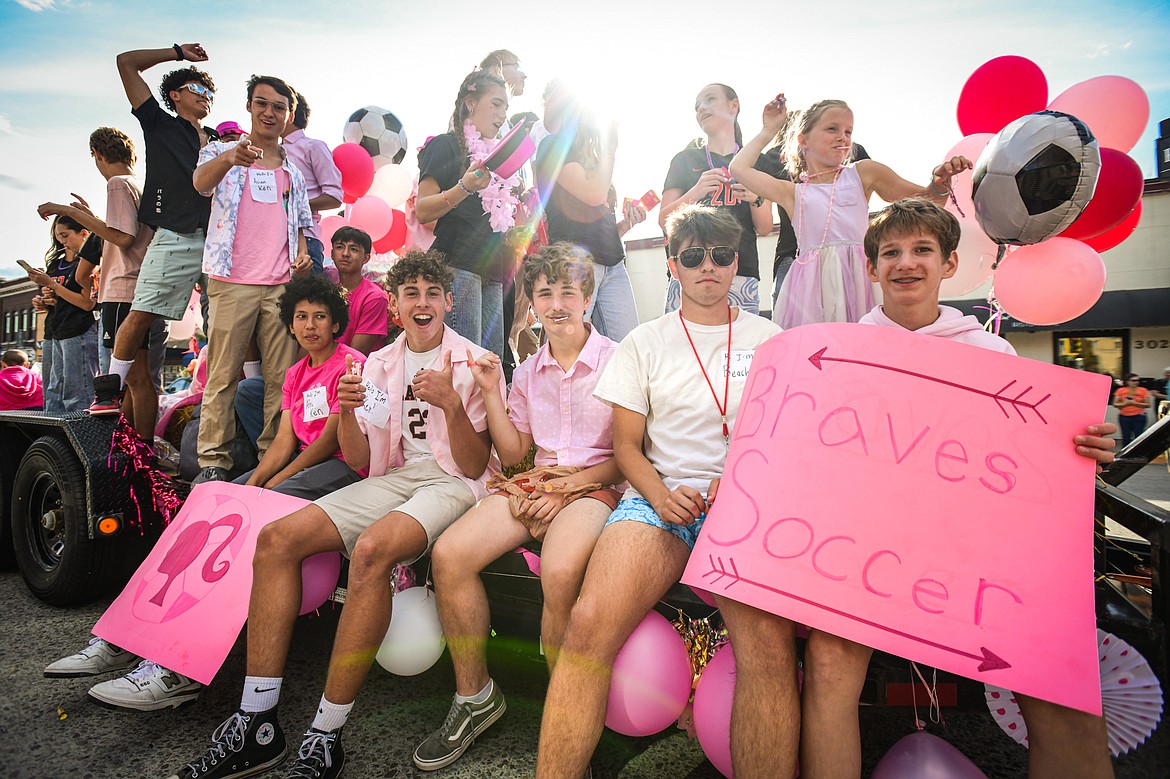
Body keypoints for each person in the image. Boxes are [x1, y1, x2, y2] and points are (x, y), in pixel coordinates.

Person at [715, 199, 1118, 779]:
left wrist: (1080, 450)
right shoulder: (835, 355)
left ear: (949, 263)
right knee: (829, 667)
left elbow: (1030, 473)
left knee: (1063, 692)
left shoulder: (994, 356)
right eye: (892, 253)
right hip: (860, 556)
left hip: (976, 562)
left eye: (922, 250)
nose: (907, 263)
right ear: (872, 269)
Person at [168, 250, 501, 779]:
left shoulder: (475, 362)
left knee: (371, 550)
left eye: (432, 293)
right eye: (410, 293)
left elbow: (475, 463)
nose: (422, 302)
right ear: (393, 306)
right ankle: (257, 721)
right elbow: (365, 461)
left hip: (453, 482)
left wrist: (453, 408)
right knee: (276, 539)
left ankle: (326, 733)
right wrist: (348, 411)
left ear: (449, 303)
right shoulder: (377, 364)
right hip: (392, 479)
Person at [534, 205, 781, 777]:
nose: (707, 267)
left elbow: (779, 439)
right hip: (658, 497)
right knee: (589, 622)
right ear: (673, 265)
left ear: (735, 262)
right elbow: (626, 450)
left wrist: (740, 479)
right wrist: (664, 493)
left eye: (720, 256)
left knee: (765, 650)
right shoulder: (644, 341)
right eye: (692, 256)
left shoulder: (770, 338)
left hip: (745, 505)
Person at [50, 276, 366, 712]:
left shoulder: (351, 363)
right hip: (300, 465)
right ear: (290, 325)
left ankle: (176, 670)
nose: (310, 325)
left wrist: (270, 486)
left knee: (250, 520)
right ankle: (120, 638)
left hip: (342, 469)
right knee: (208, 502)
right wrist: (254, 481)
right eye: (301, 318)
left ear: (336, 324)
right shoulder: (295, 372)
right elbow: (283, 442)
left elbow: (328, 442)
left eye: (320, 317)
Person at [413, 243, 622, 771]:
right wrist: (489, 389)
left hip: (596, 483)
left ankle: (565, 716)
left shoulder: (619, 360)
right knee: (450, 554)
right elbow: (511, 453)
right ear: (530, 301)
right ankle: (475, 696)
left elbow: (627, 458)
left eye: (567, 292)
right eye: (543, 293)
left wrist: (567, 491)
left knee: (560, 570)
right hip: (536, 480)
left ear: (588, 298)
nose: (556, 304)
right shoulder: (528, 370)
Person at [728, 96, 971, 329]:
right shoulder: (792, 193)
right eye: (832, 129)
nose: (842, 137)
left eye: (848, 131)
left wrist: (939, 184)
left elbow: (927, 200)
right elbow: (738, 168)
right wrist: (769, 130)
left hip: (859, 279)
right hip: (811, 289)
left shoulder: (863, 173)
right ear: (803, 140)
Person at [191, 74, 313, 485]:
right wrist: (229, 159)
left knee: (280, 378)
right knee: (222, 373)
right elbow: (198, 185)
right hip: (231, 279)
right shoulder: (221, 151)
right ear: (249, 107)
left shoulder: (293, 171)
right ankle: (213, 461)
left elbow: (300, 226)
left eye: (279, 107)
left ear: (288, 115)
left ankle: (270, 458)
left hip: (279, 286)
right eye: (262, 103)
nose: (269, 112)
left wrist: (300, 253)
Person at [88, 44, 218, 427]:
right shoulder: (160, 124)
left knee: (227, 323)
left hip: (216, 244)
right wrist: (178, 53)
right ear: (176, 95)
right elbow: (124, 63)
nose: (206, 98)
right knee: (140, 314)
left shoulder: (220, 139)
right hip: (175, 235)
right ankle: (108, 392)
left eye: (211, 94)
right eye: (198, 89)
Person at [37, 127, 164, 439]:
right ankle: (133, 444)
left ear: (98, 155)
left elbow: (123, 237)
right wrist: (91, 217)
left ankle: (138, 449)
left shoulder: (118, 184)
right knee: (138, 378)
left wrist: (68, 212)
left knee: (134, 379)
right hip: (141, 286)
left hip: (123, 288)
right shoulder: (138, 184)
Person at [416, 69, 518, 362]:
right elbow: (423, 210)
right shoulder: (445, 146)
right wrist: (464, 186)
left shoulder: (497, 158)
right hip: (459, 267)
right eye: (495, 104)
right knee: (466, 366)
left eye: (505, 108)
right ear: (470, 103)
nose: (501, 115)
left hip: (494, 269)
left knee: (491, 366)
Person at [535, 81, 639, 343]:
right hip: (574, 263)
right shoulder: (551, 146)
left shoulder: (593, 159)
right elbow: (592, 194)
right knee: (567, 348)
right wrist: (611, 148)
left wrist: (623, 227)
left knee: (626, 349)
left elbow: (594, 214)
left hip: (612, 262)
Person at [659, 83, 774, 314]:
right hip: (690, 269)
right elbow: (664, 220)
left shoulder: (757, 161)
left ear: (734, 105)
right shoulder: (685, 160)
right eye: (697, 106)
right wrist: (696, 192)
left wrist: (756, 198)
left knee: (741, 346)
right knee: (684, 347)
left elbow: (764, 227)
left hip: (740, 272)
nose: (702, 108)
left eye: (710, 99)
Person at [25, 216, 100, 414]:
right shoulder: (55, 264)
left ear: (83, 233)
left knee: (77, 392)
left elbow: (87, 303)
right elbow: (61, 297)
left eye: (65, 235)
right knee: (53, 390)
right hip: (54, 330)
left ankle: (80, 438)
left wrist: (53, 286)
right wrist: (45, 301)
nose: (61, 241)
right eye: (58, 236)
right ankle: (53, 438)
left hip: (79, 329)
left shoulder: (89, 263)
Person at [282, 89, 343, 276]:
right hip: (271, 240)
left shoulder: (313, 147)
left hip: (306, 240)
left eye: (278, 107)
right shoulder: (270, 151)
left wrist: (293, 205)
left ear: (290, 114)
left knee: (307, 303)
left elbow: (334, 196)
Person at [330, 226, 389, 355]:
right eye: (339, 247)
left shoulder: (374, 298)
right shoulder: (327, 292)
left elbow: (356, 353)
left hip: (356, 370)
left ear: (366, 258)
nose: (345, 253)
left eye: (354, 249)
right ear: (332, 254)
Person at [1114, 373, 1151, 447]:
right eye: (1133, 380)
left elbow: (1148, 404)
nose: (1136, 382)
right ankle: (1125, 454)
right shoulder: (1120, 390)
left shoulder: (1143, 390)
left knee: (1138, 436)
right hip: (1124, 416)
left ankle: (1138, 453)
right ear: (1128, 381)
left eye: (1138, 380)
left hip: (1138, 416)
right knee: (1126, 436)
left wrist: (1134, 403)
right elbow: (1115, 403)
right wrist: (1125, 404)